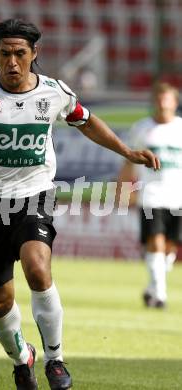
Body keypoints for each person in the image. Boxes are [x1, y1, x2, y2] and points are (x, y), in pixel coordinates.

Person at [0, 19, 159, 390]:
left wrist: (127, 151)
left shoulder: (53, 92)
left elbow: (86, 121)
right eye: (5, 54)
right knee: (0, 304)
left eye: (20, 53)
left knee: (37, 268)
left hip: (33, 197)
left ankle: (55, 360)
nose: (12, 62)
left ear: (34, 54)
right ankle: (22, 360)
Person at [116, 82, 181, 309]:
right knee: (156, 241)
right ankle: (160, 294)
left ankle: (152, 287)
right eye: (159, 98)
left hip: (177, 196)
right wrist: (123, 191)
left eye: (167, 98)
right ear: (154, 101)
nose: (163, 102)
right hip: (151, 194)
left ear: (175, 102)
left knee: (170, 248)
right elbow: (128, 161)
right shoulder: (141, 128)